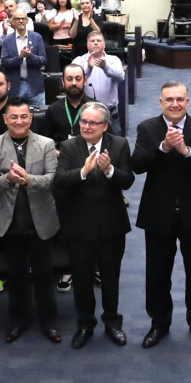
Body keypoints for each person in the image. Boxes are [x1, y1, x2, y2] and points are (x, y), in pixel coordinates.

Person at [133, 81, 191, 348]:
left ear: (188, 102)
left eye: (180, 99)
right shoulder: (147, 128)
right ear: (161, 102)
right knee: (157, 273)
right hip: (158, 213)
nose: (175, 104)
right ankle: (159, 323)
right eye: (169, 99)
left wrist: (187, 152)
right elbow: (137, 165)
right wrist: (162, 148)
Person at [52, 101, 132, 349]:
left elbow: (128, 180)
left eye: (92, 122)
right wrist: (83, 172)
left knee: (110, 278)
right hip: (78, 227)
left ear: (105, 126)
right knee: (83, 280)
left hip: (111, 225)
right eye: (83, 122)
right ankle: (85, 324)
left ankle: (112, 323)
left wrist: (109, 171)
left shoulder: (119, 145)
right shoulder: (68, 147)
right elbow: (59, 182)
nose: (86, 126)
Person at [0, 99, 63, 344]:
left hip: (40, 221)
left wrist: (28, 180)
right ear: (5, 119)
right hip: (9, 222)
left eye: (24, 117)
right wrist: (8, 179)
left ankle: (48, 323)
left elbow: (52, 179)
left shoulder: (47, 144)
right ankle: (18, 321)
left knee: (44, 275)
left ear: (31, 118)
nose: (19, 121)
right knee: (15, 276)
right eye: (14, 117)